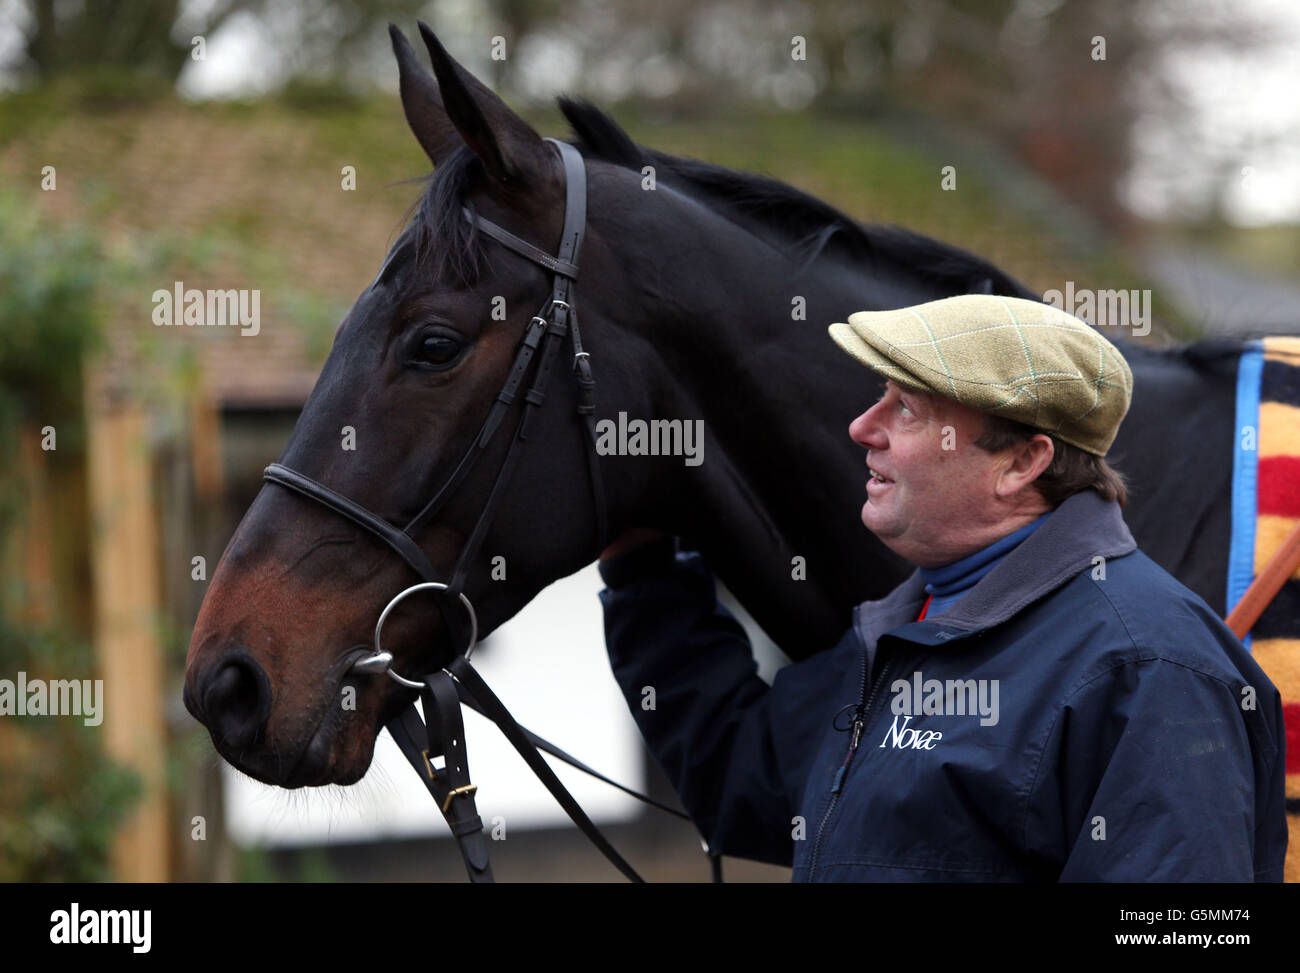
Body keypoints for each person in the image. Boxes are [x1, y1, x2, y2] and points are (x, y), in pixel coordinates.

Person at [597, 293, 1287, 882]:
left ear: (1020, 461)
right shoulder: (910, 624)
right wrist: (642, 570)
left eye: (907, 408)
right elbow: (745, 776)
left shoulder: (1152, 668)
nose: (862, 428)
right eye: (881, 397)